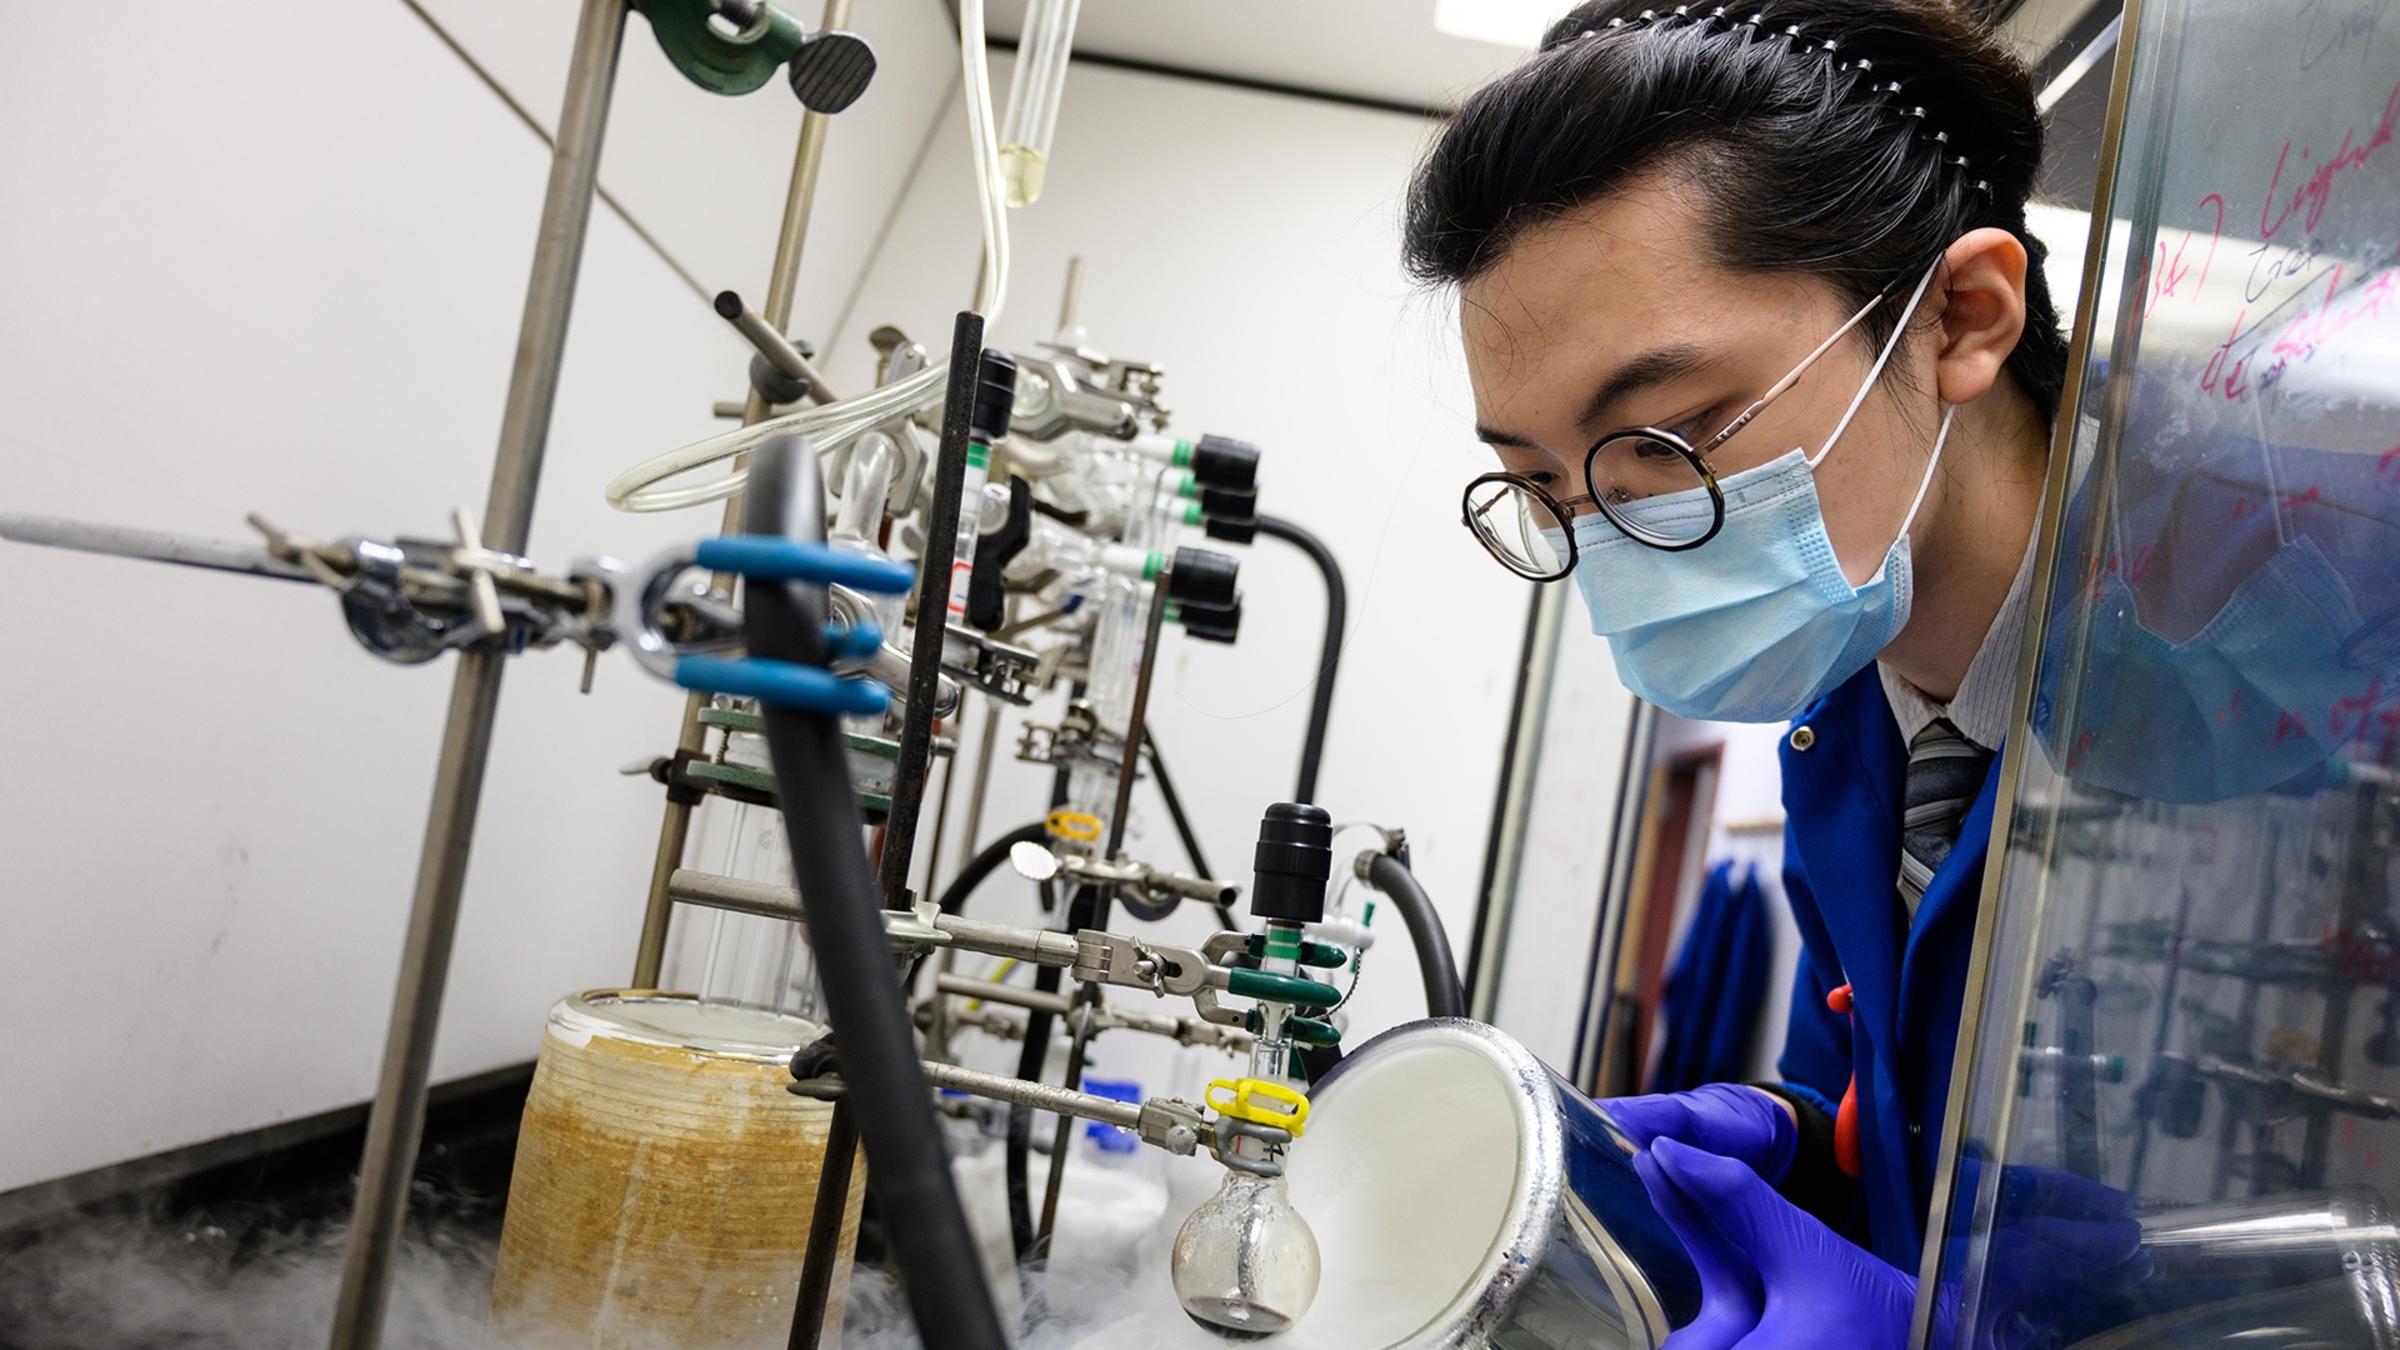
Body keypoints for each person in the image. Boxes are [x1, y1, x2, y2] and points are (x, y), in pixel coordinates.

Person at [1403, 2, 2135, 1344]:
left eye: (1666, 438)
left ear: (1959, 320)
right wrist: (1793, 1148)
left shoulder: (2253, 684)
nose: (1611, 536)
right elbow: (1890, 1130)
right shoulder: (1850, 727)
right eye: (1539, 484)